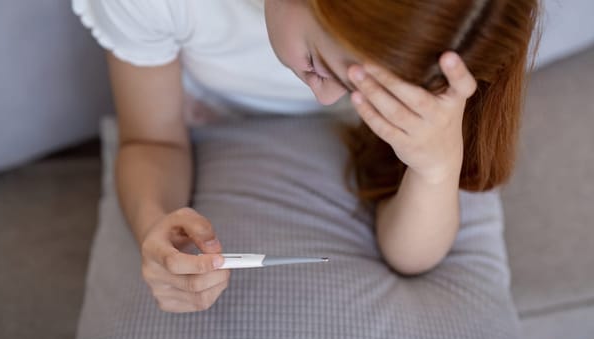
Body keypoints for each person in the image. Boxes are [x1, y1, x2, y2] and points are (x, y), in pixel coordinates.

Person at [73, 0, 539, 313]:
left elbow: (411, 256)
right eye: (317, 64)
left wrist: (435, 167)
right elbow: (151, 141)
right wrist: (153, 223)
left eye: (361, 91)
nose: (324, 98)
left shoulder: (452, 33)